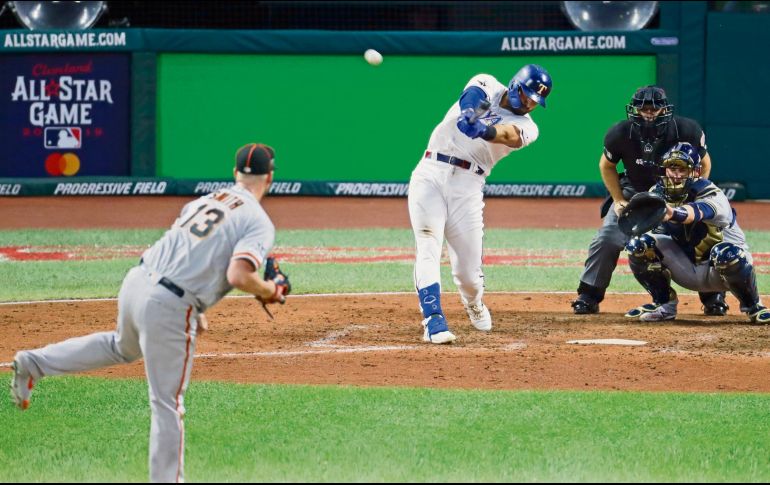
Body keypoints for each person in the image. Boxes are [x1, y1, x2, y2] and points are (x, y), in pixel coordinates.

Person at [9, 142, 291, 483]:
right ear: (270, 177)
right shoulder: (258, 220)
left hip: (138, 280)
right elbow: (238, 275)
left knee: (120, 347)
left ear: (235, 173)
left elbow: (187, 251)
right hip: (167, 304)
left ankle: (34, 363)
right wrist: (270, 290)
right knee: (167, 403)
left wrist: (196, 308)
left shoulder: (205, 201)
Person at [408, 64, 552, 344]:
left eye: (536, 101)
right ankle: (433, 319)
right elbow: (472, 95)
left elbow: (508, 134)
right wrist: (468, 114)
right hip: (430, 172)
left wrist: (483, 130)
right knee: (428, 243)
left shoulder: (529, 127)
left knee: (468, 274)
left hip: (468, 185)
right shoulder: (488, 82)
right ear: (515, 85)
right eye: (527, 95)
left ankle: (473, 302)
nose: (529, 104)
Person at [571, 85, 729, 317]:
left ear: (664, 109)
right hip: (634, 194)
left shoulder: (687, 130)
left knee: (700, 237)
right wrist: (617, 199)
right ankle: (588, 295)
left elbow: (705, 164)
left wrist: (693, 193)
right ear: (634, 109)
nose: (648, 113)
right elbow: (606, 165)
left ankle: (713, 297)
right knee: (607, 238)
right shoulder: (619, 133)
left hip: (677, 194)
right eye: (643, 108)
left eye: (653, 109)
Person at [623, 142, 769, 324]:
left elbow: (696, 212)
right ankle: (664, 305)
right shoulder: (656, 194)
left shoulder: (711, 193)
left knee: (726, 253)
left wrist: (671, 213)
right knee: (638, 245)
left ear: (695, 172)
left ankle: (754, 306)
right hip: (687, 268)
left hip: (724, 270)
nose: (676, 175)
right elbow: (657, 235)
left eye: (682, 169)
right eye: (672, 168)